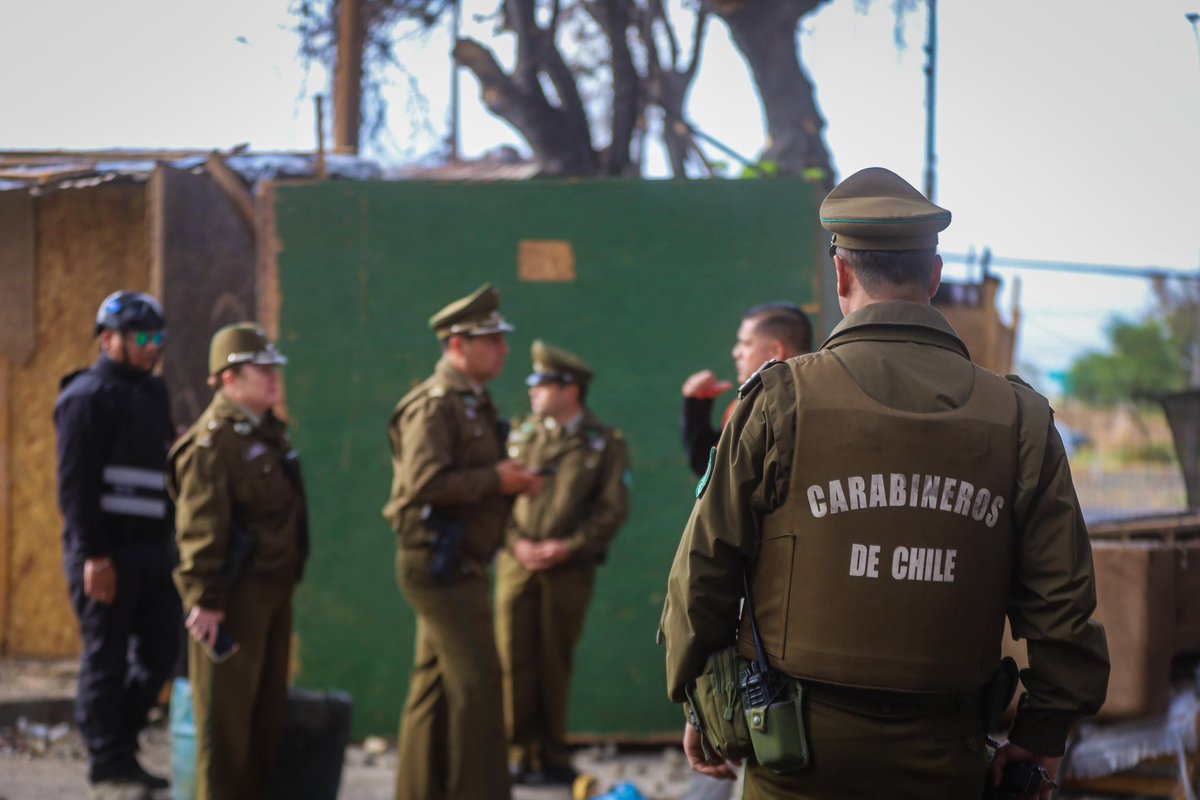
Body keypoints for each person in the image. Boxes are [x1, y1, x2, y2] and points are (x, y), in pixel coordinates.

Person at [661, 167, 1110, 800]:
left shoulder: (779, 401)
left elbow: (703, 571)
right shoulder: (1021, 420)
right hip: (948, 756)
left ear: (841, 276)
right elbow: (1064, 604)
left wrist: (700, 702)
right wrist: (1043, 734)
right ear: (934, 276)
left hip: (795, 754)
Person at [383, 284, 541, 800]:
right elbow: (422, 484)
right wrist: (498, 479)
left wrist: (507, 479)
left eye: (500, 337)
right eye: (490, 339)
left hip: (456, 559)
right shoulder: (434, 405)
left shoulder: (473, 400)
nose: (503, 348)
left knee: (434, 690)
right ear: (457, 345)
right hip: (440, 560)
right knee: (480, 686)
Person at [168, 323, 308, 800]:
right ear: (229, 378)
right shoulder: (212, 444)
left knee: (262, 722)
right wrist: (204, 599)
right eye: (261, 369)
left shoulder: (269, 433)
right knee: (224, 730)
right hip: (233, 599)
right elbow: (200, 529)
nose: (273, 378)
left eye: (275, 368)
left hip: (272, 593)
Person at [54, 290, 180, 800]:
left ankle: (121, 746)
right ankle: (108, 767)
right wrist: (95, 557)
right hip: (106, 555)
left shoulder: (153, 394)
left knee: (162, 651)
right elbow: (75, 486)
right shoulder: (85, 397)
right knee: (105, 658)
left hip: (153, 552)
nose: (153, 348)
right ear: (108, 341)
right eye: (143, 338)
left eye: (159, 339)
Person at [497, 340, 631, 786]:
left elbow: (612, 509)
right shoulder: (518, 434)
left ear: (569, 390)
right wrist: (515, 544)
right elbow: (497, 501)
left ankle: (551, 755)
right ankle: (517, 755)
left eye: (543, 383)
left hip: (568, 570)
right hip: (517, 566)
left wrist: (568, 546)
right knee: (512, 659)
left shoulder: (604, 443)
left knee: (554, 660)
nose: (532, 391)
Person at [681, 303, 812, 476]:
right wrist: (696, 408)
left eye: (746, 343)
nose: (736, 353)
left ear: (775, 351)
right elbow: (712, 473)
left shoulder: (802, 409)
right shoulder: (741, 408)